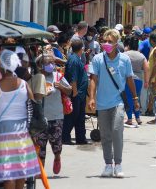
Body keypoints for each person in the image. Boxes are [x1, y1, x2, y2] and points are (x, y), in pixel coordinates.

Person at [0, 50, 40, 188]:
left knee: (9, 175)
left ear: (2, 67)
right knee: (21, 173)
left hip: (6, 134)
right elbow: (33, 106)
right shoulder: (24, 84)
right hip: (23, 133)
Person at [88, 29, 140, 178]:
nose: (106, 44)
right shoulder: (97, 59)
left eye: (110, 41)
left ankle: (118, 164)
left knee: (117, 131)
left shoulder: (124, 59)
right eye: (105, 41)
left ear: (117, 43)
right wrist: (92, 98)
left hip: (118, 102)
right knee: (105, 135)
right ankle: (108, 164)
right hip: (102, 103)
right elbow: (93, 79)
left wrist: (135, 99)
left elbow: (129, 79)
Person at [34, 54, 72, 175]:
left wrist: (61, 87)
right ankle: (41, 172)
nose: (51, 65)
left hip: (56, 116)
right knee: (41, 145)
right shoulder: (36, 78)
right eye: (48, 63)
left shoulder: (58, 76)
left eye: (53, 63)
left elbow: (70, 90)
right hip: (41, 117)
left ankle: (57, 157)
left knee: (56, 144)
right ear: (41, 65)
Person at [63, 38, 89, 145]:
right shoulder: (74, 59)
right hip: (76, 93)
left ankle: (80, 138)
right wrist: (75, 92)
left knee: (80, 117)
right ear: (81, 49)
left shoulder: (76, 58)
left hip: (80, 93)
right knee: (72, 116)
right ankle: (65, 137)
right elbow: (73, 78)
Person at [123, 35, 149, 125]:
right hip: (138, 79)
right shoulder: (141, 56)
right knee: (136, 98)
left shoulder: (125, 54)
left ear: (129, 45)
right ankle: (138, 117)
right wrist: (146, 81)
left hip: (127, 79)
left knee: (128, 99)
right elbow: (146, 69)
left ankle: (130, 118)